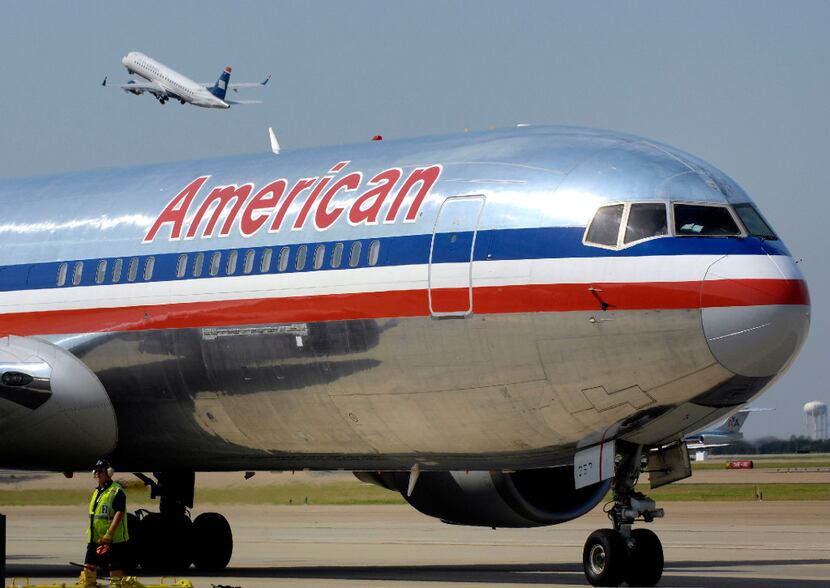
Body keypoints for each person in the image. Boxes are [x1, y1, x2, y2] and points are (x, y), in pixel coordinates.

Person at [79, 459, 129, 587]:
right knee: (88, 568)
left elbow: (119, 513)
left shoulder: (116, 491)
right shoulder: (97, 491)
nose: (97, 474)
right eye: (95, 471)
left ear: (109, 472)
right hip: (95, 538)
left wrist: (109, 534)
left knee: (114, 571)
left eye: (100, 471)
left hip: (112, 540)